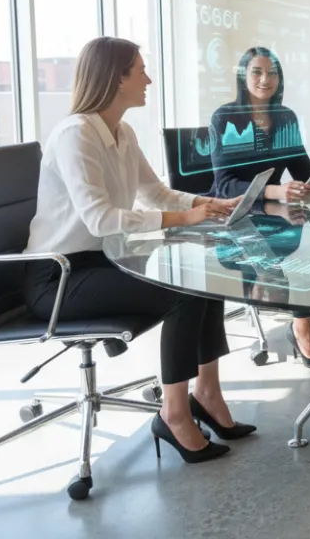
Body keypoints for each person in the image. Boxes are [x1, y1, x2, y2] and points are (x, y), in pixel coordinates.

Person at [23, 37, 254, 465]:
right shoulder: (76, 135)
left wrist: (206, 205)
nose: (148, 80)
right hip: (59, 278)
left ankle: (207, 393)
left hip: (104, 261)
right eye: (141, 71)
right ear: (116, 78)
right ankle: (174, 414)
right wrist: (183, 218)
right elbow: (100, 219)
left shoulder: (123, 132)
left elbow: (155, 193)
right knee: (183, 291)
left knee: (206, 273)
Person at [210, 47, 310, 366]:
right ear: (243, 76)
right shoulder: (225, 118)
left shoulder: (285, 117)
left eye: (272, 72)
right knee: (303, 247)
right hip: (237, 218)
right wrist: (277, 190)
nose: (265, 79)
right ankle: (301, 326)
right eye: (257, 72)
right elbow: (224, 185)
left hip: (275, 213)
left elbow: (303, 168)